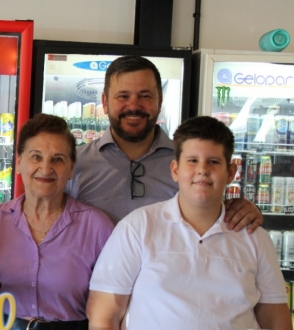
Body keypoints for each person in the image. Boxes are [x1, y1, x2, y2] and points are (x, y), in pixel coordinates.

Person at [86, 116, 293, 330]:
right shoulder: (138, 227)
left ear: (231, 173)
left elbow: (276, 321)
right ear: (175, 169)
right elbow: (104, 314)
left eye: (214, 162)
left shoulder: (255, 238)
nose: (202, 170)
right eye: (192, 160)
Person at [0, 114, 114, 330]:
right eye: (36, 157)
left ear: (72, 168)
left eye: (58, 159)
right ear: (18, 163)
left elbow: (109, 312)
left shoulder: (97, 227)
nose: (46, 168)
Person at [68, 55, 262, 229]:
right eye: (123, 96)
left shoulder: (187, 163)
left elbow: (213, 215)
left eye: (145, 96)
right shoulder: (74, 164)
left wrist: (243, 209)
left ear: (160, 101)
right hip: (96, 270)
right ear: (105, 101)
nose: (134, 106)